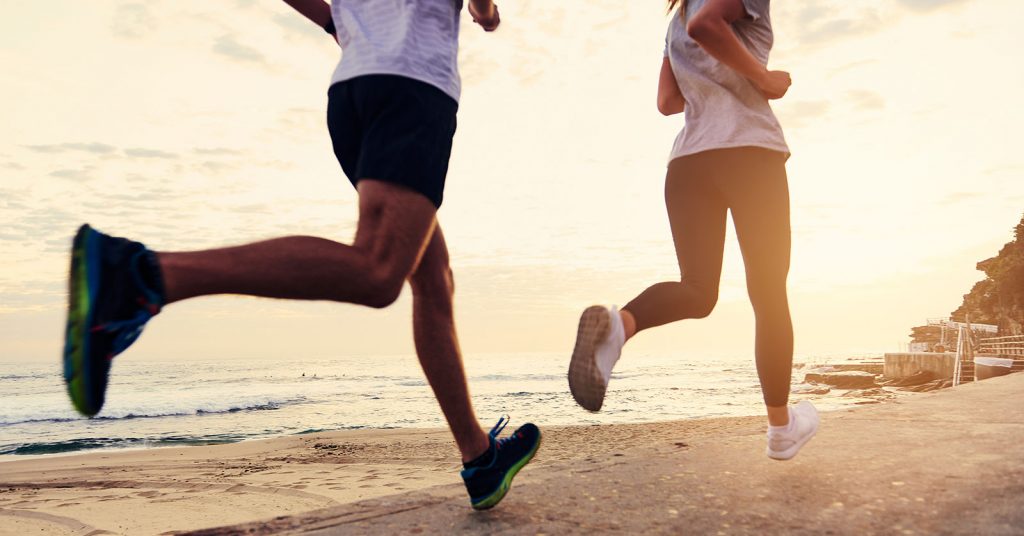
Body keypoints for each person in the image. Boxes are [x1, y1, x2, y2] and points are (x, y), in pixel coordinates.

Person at [61, 0, 540, 510]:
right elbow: (481, 7)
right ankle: (142, 276)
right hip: (414, 82)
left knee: (433, 277)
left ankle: (480, 457)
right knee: (379, 271)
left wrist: (336, 21)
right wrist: (487, 14)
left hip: (353, 90)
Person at [567, 0, 818, 461]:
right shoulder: (699, 16)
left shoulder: (676, 19)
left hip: (688, 163)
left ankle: (619, 326)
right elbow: (708, 24)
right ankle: (781, 429)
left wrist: (707, 83)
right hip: (748, 152)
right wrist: (762, 79)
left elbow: (667, 102)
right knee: (768, 292)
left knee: (699, 292)